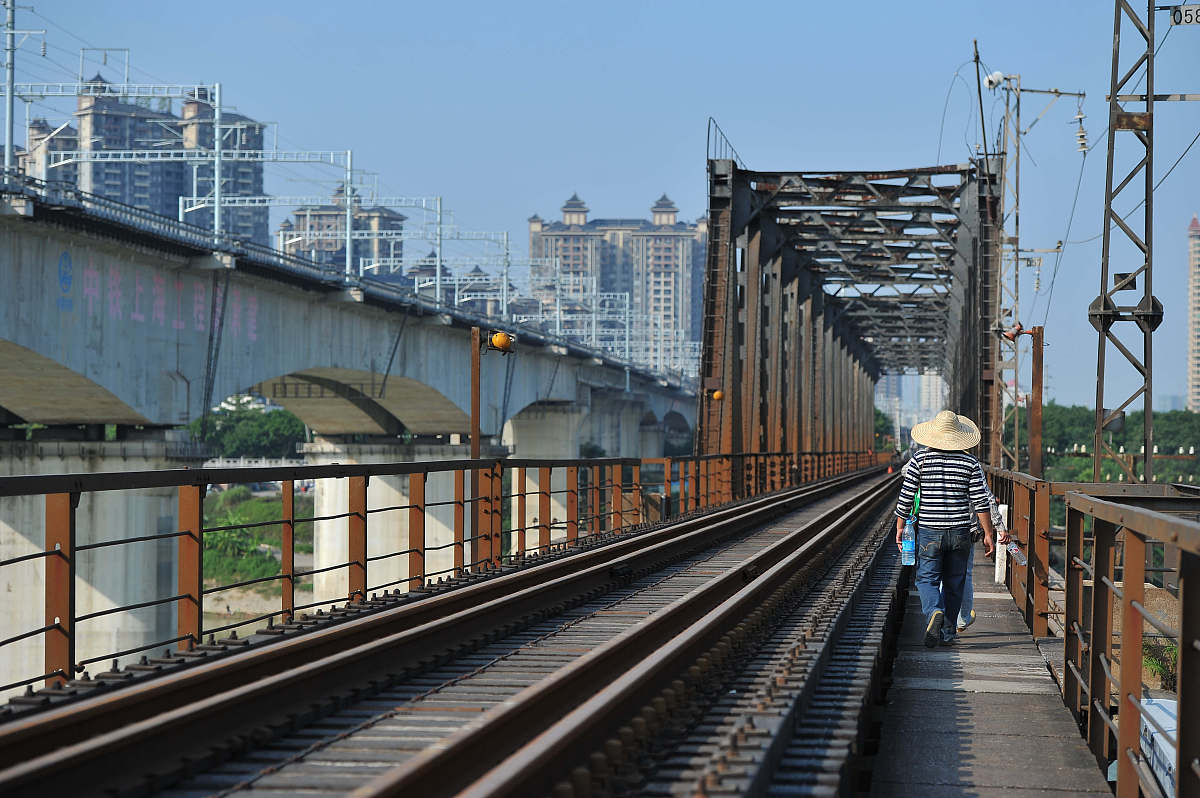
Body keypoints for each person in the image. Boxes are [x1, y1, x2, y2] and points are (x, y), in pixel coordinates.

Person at [895, 410, 996, 648]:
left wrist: (900, 527)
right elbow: (981, 501)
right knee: (954, 583)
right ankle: (948, 634)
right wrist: (988, 534)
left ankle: (933, 613)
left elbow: (906, 497)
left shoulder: (919, 460)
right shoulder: (970, 463)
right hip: (961, 533)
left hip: (930, 532)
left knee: (927, 580)